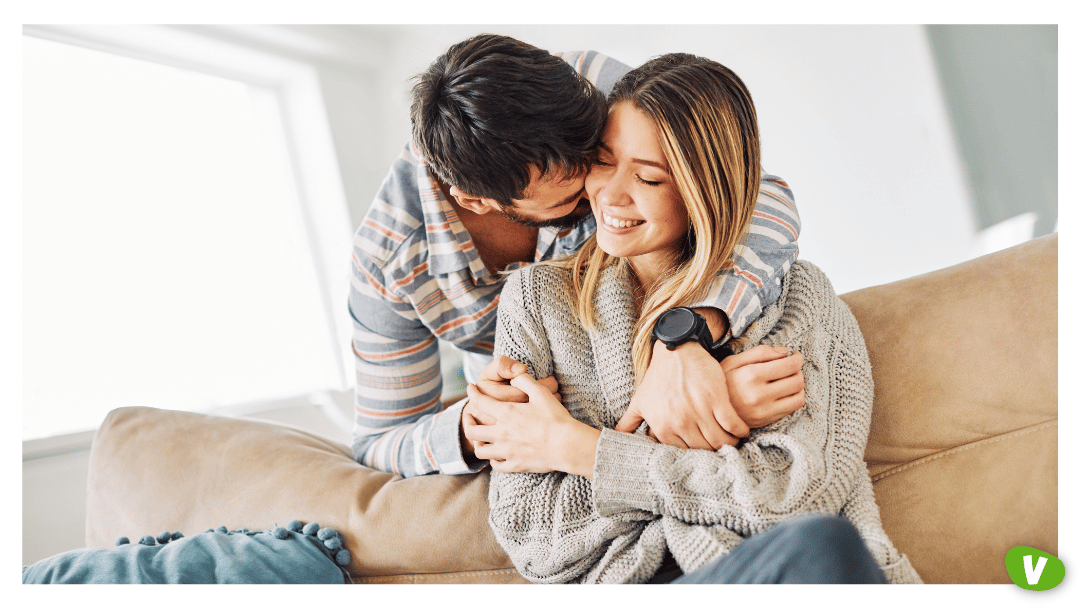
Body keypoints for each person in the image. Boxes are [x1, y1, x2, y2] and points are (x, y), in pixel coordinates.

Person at [464, 53, 922, 584]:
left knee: (820, 546)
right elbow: (532, 536)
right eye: (604, 160)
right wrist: (700, 432)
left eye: (650, 178)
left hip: (781, 573)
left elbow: (794, 497)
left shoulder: (796, 299)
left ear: (706, 189)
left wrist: (577, 447)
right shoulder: (537, 301)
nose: (611, 194)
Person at [348, 34, 804, 478]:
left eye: (598, 156)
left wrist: (684, 332)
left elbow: (749, 191)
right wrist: (477, 426)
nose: (600, 191)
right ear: (476, 201)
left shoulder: (581, 88)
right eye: (570, 191)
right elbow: (378, 441)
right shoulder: (388, 263)